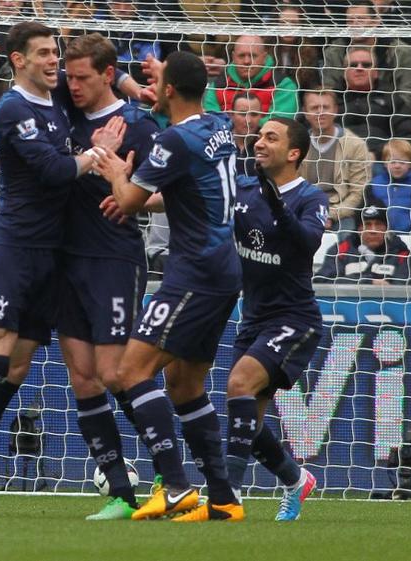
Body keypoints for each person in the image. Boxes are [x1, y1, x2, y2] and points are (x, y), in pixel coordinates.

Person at [0, 22, 117, 518]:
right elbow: (54, 169)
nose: (54, 61)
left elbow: (5, 110)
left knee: (18, 365)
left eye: (55, 52)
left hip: (49, 254)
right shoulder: (17, 106)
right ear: (18, 60)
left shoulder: (54, 99)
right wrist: (99, 153)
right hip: (11, 248)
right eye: (44, 53)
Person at [93, 50, 243, 522]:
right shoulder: (218, 124)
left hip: (194, 273)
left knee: (130, 371)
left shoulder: (174, 141)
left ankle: (175, 486)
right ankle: (224, 499)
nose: (152, 90)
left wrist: (114, 170)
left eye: (159, 84)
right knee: (184, 385)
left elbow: (128, 201)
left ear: (171, 90)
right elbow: (189, 190)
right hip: (223, 271)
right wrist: (168, 79)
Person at [49, 33, 160, 520]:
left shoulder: (137, 125)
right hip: (65, 259)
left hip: (114, 258)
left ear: (107, 74)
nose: (73, 85)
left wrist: (133, 198)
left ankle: (169, 476)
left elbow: (173, 190)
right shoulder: (61, 108)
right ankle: (119, 491)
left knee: (116, 373)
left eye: (83, 78)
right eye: (69, 76)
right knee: (83, 378)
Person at [218, 116, 329, 521]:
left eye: (271, 137)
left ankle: (226, 494)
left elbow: (308, 243)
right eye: (260, 136)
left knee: (238, 384)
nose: (260, 142)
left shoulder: (311, 197)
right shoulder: (244, 188)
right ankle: (296, 480)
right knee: (247, 420)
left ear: (293, 152)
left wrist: (277, 205)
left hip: (294, 318)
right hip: (253, 317)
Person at [299, 89, 372, 237]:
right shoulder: (298, 144)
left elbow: (358, 193)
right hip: (304, 210)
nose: (320, 112)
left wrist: (329, 215)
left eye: (326, 107)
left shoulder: (355, 145)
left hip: (342, 213)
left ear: (335, 110)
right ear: (305, 112)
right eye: (314, 108)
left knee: (347, 238)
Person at [201, 34, 299, 122]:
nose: (247, 61)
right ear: (233, 57)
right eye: (241, 56)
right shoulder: (218, 85)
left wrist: (239, 124)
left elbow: (280, 123)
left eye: (253, 56)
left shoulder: (283, 85)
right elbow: (212, 121)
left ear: (264, 57)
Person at [316, 205, 411, 284]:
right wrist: (368, 282)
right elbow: (322, 281)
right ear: (358, 229)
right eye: (367, 224)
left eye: (378, 224)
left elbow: (407, 286)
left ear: (386, 228)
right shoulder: (340, 251)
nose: (373, 230)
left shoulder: (401, 253)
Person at [364, 139, 411, 235]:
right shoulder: (374, 184)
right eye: (393, 162)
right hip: (382, 235)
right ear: (384, 163)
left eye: (402, 162)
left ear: (410, 164)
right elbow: (367, 210)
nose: (397, 166)